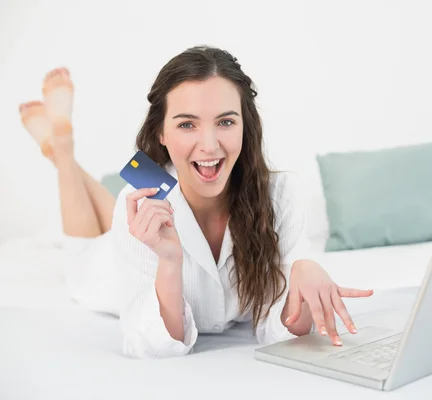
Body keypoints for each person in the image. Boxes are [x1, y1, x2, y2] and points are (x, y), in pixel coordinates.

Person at [18, 45, 373, 359]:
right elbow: (152, 344)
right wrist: (169, 262)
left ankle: (59, 150)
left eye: (225, 122)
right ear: (161, 132)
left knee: (111, 207)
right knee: (85, 249)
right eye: (187, 125)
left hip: (143, 210)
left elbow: (282, 328)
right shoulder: (139, 199)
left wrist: (303, 280)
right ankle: (62, 155)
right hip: (107, 268)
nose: (209, 144)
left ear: (244, 126)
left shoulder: (280, 196)